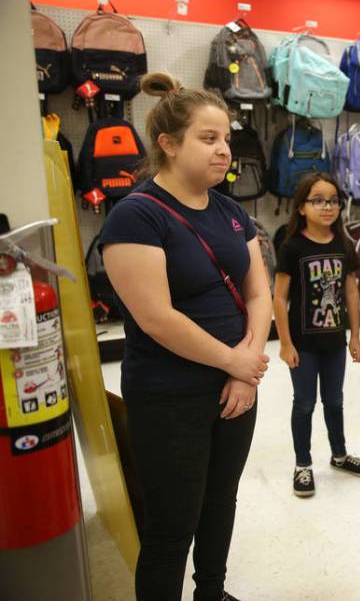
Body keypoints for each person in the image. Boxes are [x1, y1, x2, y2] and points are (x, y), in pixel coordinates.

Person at [100, 73, 272, 600]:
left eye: (226, 138)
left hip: (235, 386)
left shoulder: (229, 210)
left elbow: (259, 295)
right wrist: (235, 362)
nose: (224, 151)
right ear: (168, 145)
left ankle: (212, 592)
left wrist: (246, 368)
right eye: (208, 138)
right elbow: (157, 318)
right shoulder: (137, 215)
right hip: (170, 394)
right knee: (172, 523)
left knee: (221, 501)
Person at [273, 172, 360, 498]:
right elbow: (279, 297)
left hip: (334, 342)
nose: (327, 206)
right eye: (318, 200)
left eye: (332, 200)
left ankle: (339, 455)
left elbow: (352, 292)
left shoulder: (344, 244)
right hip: (303, 345)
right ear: (301, 207)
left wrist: (355, 336)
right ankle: (303, 464)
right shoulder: (292, 246)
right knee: (304, 404)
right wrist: (285, 343)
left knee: (335, 401)